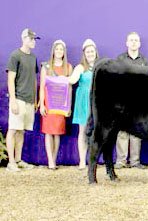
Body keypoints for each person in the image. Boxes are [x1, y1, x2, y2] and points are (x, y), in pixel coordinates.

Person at [5, 28, 40, 172]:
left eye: (34, 39)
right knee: (13, 129)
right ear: (24, 39)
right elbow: (10, 79)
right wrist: (13, 100)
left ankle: (18, 160)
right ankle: (11, 162)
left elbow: (33, 80)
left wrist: (35, 99)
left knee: (22, 131)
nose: (33, 42)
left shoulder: (33, 58)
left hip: (29, 101)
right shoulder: (15, 55)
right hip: (18, 99)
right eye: (31, 39)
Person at [114, 32, 148, 169]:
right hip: (123, 100)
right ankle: (121, 161)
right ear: (127, 43)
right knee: (122, 132)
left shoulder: (145, 61)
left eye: (136, 40)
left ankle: (135, 161)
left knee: (136, 132)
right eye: (131, 40)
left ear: (139, 43)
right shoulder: (120, 59)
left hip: (139, 101)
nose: (134, 42)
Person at [39, 40, 73, 170]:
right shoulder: (46, 67)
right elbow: (42, 86)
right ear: (53, 50)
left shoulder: (68, 67)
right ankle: (50, 161)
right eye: (57, 49)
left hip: (61, 105)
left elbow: (69, 88)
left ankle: (54, 159)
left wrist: (68, 106)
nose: (59, 51)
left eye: (61, 49)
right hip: (49, 103)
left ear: (64, 52)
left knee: (57, 132)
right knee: (48, 132)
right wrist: (42, 104)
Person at [69, 39, 99, 170]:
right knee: (82, 131)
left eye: (92, 51)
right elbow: (72, 80)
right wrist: (57, 79)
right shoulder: (80, 67)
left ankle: (93, 160)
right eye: (88, 51)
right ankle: (82, 160)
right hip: (83, 101)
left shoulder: (100, 66)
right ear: (84, 53)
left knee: (96, 132)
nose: (90, 53)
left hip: (97, 102)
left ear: (95, 52)